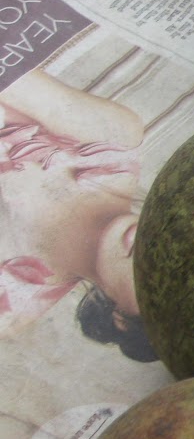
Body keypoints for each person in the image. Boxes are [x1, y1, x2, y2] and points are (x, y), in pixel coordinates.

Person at [0, 68, 155, 359]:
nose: (159, 250)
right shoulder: (113, 140)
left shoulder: (10, 310)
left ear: (120, 319)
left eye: (159, 283)